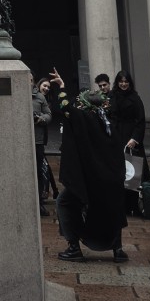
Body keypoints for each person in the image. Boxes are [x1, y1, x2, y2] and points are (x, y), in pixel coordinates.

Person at [49, 67, 128, 263]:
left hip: (88, 179)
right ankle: (118, 249)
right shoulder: (108, 122)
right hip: (111, 179)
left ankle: (73, 247)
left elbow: (65, 107)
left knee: (64, 203)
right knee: (114, 208)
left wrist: (62, 87)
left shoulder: (84, 119)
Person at [109, 69, 150, 215]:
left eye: (126, 81)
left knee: (133, 172)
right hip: (116, 135)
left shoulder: (135, 98)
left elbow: (140, 120)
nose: (123, 84)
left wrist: (135, 138)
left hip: (130, 137)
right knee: (117, 171)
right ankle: (119, 204)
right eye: (121, 81)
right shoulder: (112, 96)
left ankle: (133, 205)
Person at [30, 73, 52, 216]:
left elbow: (49, 114)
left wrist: (41, 119)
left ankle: (39, 204)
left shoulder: (39, 97)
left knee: (38, 172)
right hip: (21, 140)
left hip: (37, 140)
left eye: (31, 79)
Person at [38, 78, 59, 201]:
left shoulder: (45, 100)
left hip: (42, 136)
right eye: (44, 86)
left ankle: (49, 191)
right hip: (38, 136)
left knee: (43, 164)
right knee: (44, 164)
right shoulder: (37, 97)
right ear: (39, 85)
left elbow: (47, 116)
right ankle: (53, 190)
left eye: (48, 87)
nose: (46, 88)